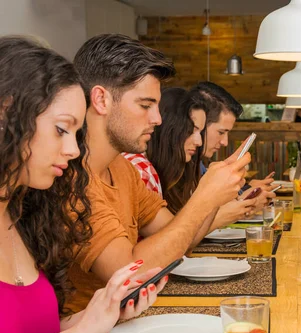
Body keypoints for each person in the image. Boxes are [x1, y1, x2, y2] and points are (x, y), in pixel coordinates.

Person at [0, 36, 166, 333]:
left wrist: (98, 315)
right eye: (62, 130)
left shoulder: (24, 216)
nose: (74, 150)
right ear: (9, 115)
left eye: (76, 134)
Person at [68, 34, 250, 312]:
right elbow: (128, 272)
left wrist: (213, 196)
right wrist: (204, 196)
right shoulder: (72, 179)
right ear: (101, 100)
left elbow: (179, 239)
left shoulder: (122, 168)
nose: (158, 118)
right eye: (145, 105)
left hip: (132, 318)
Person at [124, 87, 270, 227]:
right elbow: (174, 237)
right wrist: (218, 205)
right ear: (169, 129)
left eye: (199, 132)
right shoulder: (139, 168)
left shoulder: (181, 166)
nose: (199, 141)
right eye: (192, 130)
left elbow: (176, 233)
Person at [191, 81, 276, 192]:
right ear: (199, 124)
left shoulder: (197, 164)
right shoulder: (181, 166)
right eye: (221, 132)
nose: (225, 142)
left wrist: (248, 189)